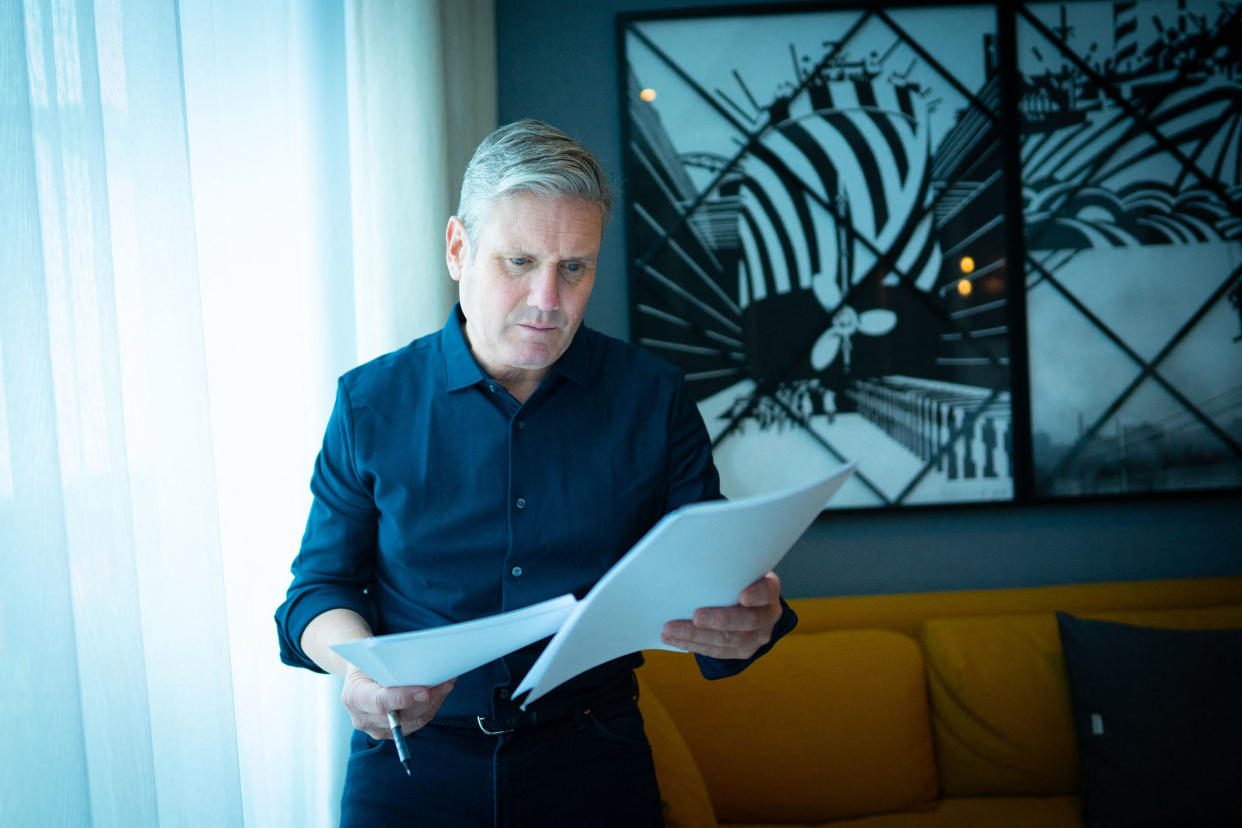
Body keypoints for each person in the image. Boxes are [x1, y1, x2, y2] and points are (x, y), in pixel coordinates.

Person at [275, 119, 798, 827]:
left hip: (593, 760)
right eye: (518, 262)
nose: (548, 301)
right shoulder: (370, 402)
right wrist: (357, 674)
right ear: (459, 248)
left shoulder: (654, 395)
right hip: (411, 766)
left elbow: (706, 574)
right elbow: (318, 590)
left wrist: (749, 620)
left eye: (573, 267)